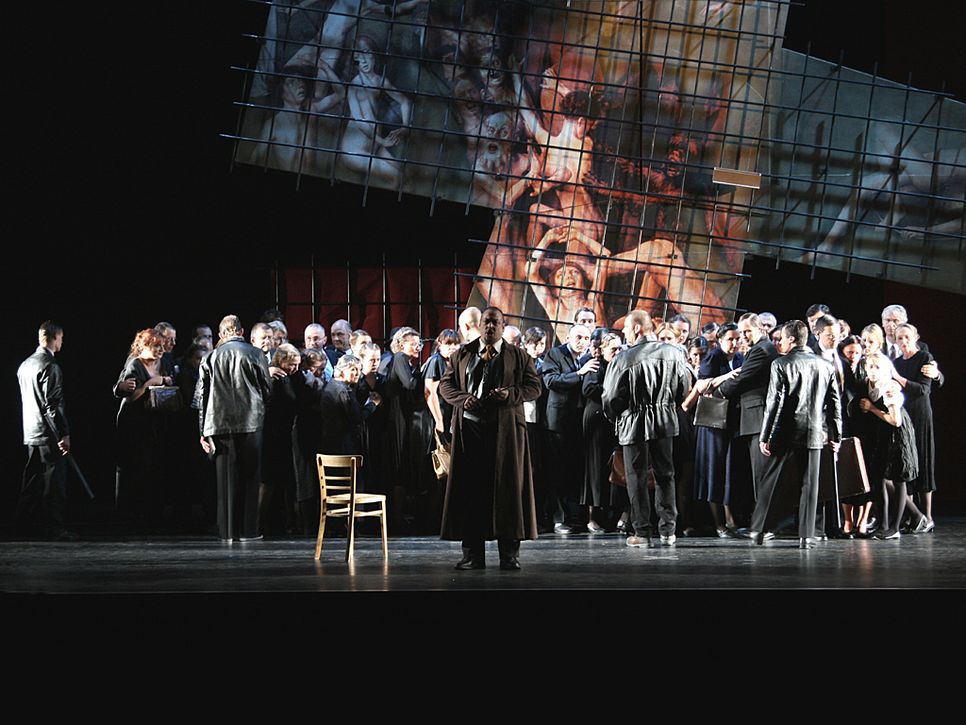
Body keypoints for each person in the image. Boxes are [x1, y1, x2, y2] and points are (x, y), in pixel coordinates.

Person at [439, 306, 542, 570]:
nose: (490, 327)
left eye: (495, 322)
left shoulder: (518, 356)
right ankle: (472, 555)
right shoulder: (463, 353)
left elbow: (534, 387)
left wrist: (510, 395)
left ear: (502, 326)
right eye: (486, 322)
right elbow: (445, 385)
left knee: (507, 491)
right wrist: (463, 399)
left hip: (505, 432)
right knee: (471, 491)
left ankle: (509, 555)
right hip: (470, 431)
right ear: (480, 324)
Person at [747, 320, 842, 549]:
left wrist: (765, 436)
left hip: (786, 433)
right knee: (810, 486)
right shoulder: (825, 366)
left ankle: (759, 530)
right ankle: (806, 536)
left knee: (771, 483)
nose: (779, 342)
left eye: (781, 338)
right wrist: (836, 436)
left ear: (791, 339)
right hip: (815, 434)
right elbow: (834, 404)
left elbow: (774, 403)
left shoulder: (781, 364)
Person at [602, 309, 690, 548]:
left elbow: (610, 397)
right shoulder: (674, 353)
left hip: (634, 422)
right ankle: (668, 531)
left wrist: (617, 417)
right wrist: (668, 407)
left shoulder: (624, 358)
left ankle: (642, 533)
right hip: (665, 421)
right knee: (666, 475)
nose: (624, 332)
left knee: (636, 478)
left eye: (626, 328)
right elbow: (683, 389)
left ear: (637, 328)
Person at [196, 315, 273, 542]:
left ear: (221, 334)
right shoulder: (255, 354)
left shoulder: (210, 357)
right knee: (251, 477)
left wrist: (202, 431)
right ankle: (249, 531)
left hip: (218, 424)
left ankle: (227, 532)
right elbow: (267, 389)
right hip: (251, 421)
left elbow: (201, 397)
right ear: (241, 331)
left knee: (225, 481)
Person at [16, 321, 73, 540]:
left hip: (31, 431)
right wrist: (63, 433)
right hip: (49, 434)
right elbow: (53, 405)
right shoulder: (50, 366)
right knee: (54, 485)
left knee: (32, 483)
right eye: (61, 338)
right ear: (55, 337)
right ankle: (54, 528)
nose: (62, 342)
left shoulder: (25, 365)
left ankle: (24, 526)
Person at [857, 353, 924, 540]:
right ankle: (884, 524)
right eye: (870, 366)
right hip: (883, 435)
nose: (873, 371)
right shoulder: (868, 384)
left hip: (897, 434)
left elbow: (895, 421)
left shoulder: (889, 387)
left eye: (877, 367)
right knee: (879, 479)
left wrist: (872, 409)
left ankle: (895, 528)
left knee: (899, 479)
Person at [717, 313, 779, 509]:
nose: (743, 336)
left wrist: (719, 390)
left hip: (758, 419)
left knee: (762, 475)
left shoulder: (761, 349)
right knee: (758, 475)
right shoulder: (761, 348)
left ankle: (764, 520)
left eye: (747, 331)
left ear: (760, 329)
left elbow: (742, 378)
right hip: (754, 419)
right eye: (742, 332)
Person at [541, 323, 597, 533]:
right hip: (559, 422)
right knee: (558, 471)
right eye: (578, 337)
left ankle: (575, 518)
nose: (582, 342)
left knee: (575, 471)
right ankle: (558, 518)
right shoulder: (555, 354)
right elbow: (551, 381)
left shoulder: (588, 358)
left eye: (586, 338)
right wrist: (580, 373)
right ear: (568, 338)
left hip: (579, 422)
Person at [113, 328, 173, 524]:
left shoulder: (163, 362)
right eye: (157, 346)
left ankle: (152, 512)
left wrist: (166, 381)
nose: (161, 350)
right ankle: (131, 514)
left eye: (162, 346)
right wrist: (151, 383)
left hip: (155, 421)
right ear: (145, 346)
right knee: (136, 465)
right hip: (135, 422)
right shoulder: (135, 364)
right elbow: (131, 396)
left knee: (155, 465)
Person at [891, 323, 936, 531]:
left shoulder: (924, 358)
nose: (903, 341)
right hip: (904, 415)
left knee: (924, 459)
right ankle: (912, 516)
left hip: (921, 415)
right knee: (906, 462)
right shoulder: (896, 362)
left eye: (907, 337)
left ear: (916, 337)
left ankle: (927, 516)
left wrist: (898, 379)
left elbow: (922, 390)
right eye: (899, 338)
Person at [581, 331, 622, 533]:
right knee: (595, 468)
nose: (617, 352)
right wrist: (611, 391)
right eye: (613, 348)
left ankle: (610, 515)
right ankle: (592, 516)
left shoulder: (620, 366)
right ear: (603, 349)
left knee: (612, 468)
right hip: (596, 420)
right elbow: (588, 389)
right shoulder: (596, 365)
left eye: (619, 348)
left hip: (612, 421)